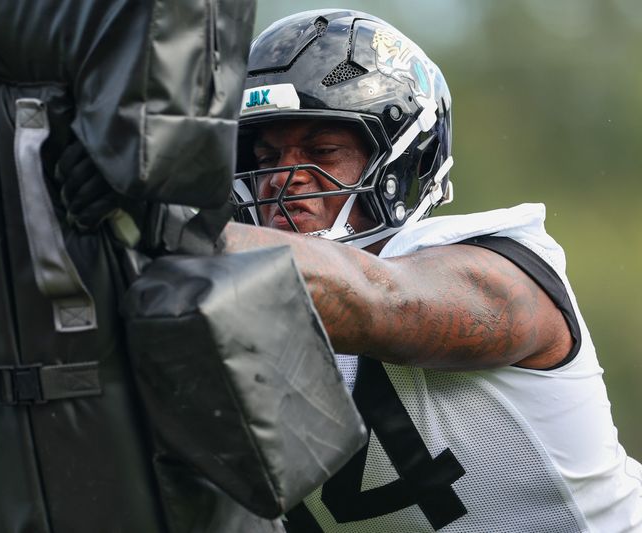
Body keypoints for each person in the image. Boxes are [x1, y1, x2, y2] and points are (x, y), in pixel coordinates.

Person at [223, 9, 642, 532]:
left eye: (322, 152)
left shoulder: (500, 270)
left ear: (402, 163)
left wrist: (158, 237)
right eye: (265, 157)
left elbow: (378, 300)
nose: (281, 181)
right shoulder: (228, 302)